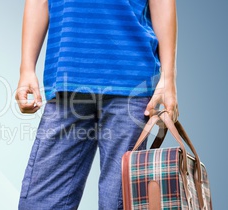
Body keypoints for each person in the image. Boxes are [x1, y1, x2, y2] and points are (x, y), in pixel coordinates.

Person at [15, 0, 179, 209]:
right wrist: (26, 69)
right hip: (67, 78)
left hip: (131, 79)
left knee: (119, 203)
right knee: (40, 202)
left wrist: (169, 77)